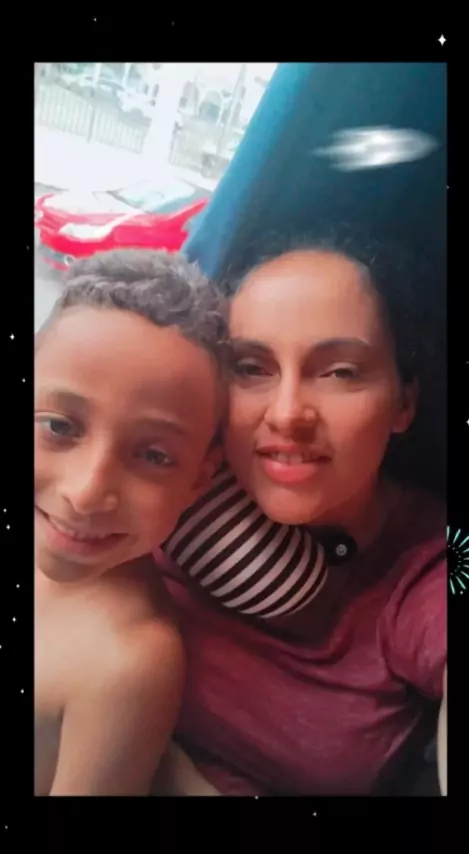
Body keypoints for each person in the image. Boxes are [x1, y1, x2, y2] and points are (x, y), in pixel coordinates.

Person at [157, 236, 447, 796]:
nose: (288, 414)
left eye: (339, 372)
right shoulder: (167, 474)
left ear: (404, 401)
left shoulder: (431, 563)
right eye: (251, 368)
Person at [34, 249, 226, 796]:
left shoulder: (127, 662)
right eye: (59, 426)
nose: (86, 492)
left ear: (200, 480)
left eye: (154, 456)